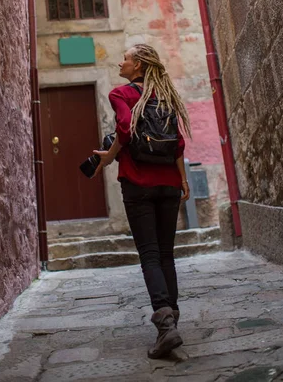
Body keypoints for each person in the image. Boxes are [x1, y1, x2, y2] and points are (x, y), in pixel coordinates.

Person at [93, 44, 191, 359]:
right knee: (166, 255)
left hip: (138, 183)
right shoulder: (166, 95)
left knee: (149, 255)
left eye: (126, 58)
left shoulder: (121, 95)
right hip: (170, 185)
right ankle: (171, 318)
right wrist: (183, 180)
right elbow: (178, 143)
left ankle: (165, 327)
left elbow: (124, 128)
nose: (121, 61)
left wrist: (107, 159)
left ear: (138, 66)